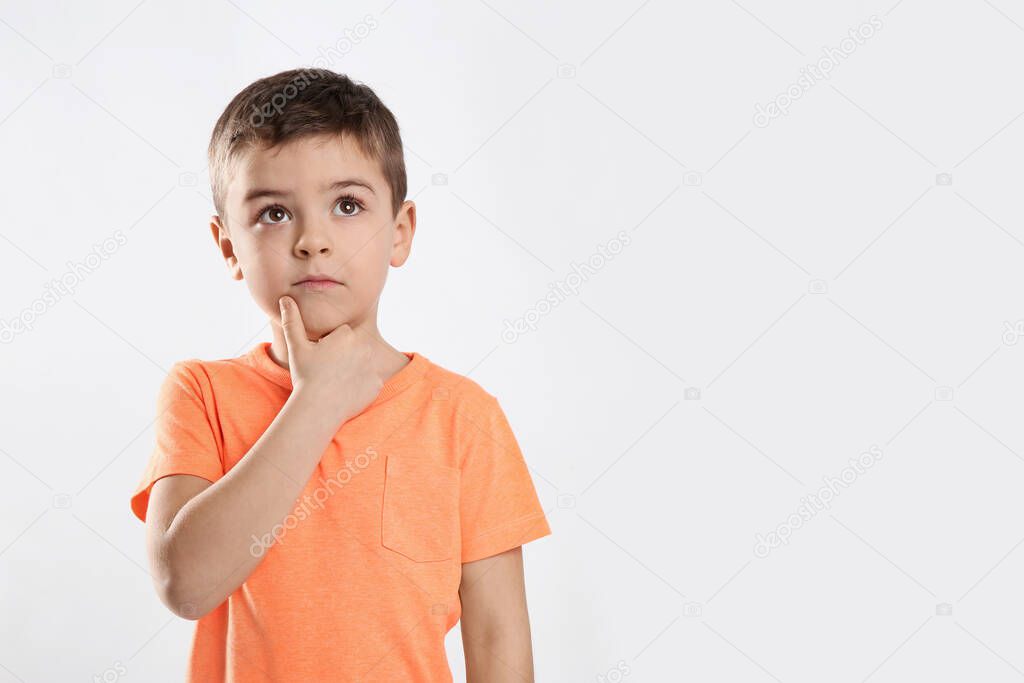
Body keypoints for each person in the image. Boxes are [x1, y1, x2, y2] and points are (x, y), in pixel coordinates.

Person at [129, 68, 552, 682]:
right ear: (229, 249)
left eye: (347, 205)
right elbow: (185, 584)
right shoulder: (201, 393)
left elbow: (498, 642)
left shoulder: (465, 418)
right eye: (274, 213)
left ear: (400, 231)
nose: (312, 240)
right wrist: (317, 401)